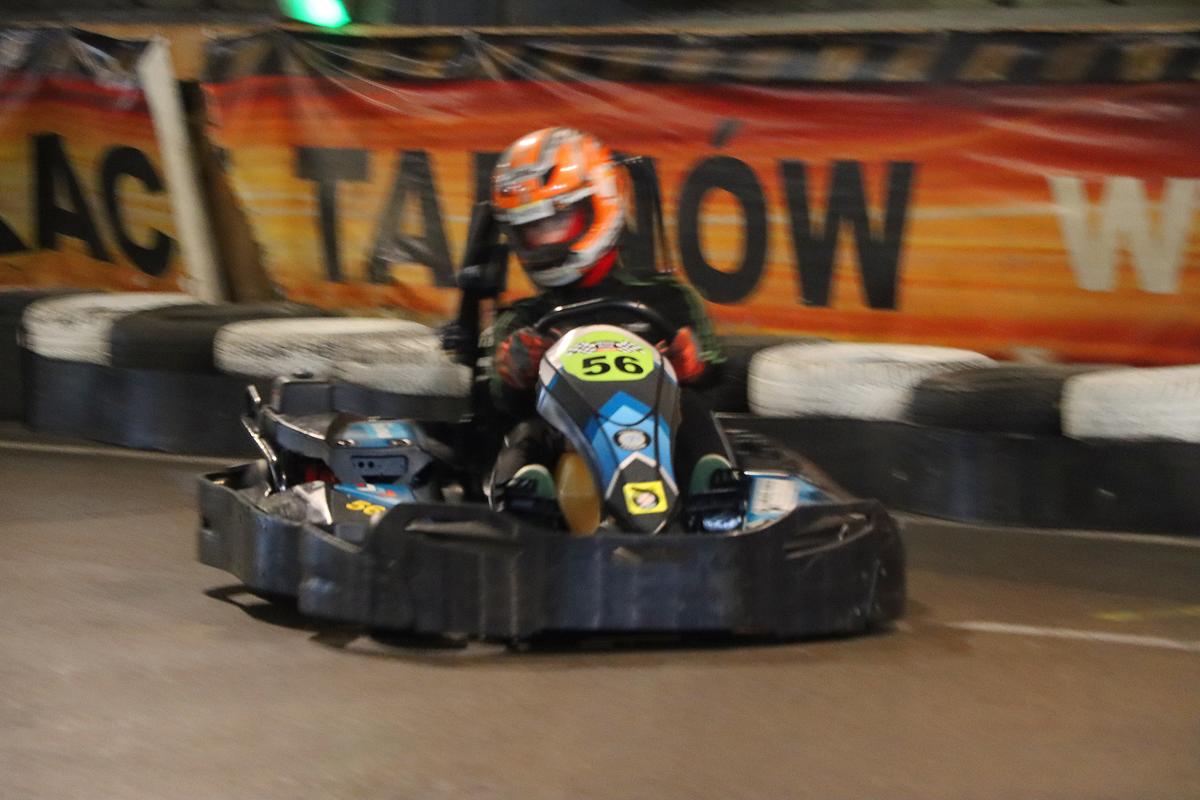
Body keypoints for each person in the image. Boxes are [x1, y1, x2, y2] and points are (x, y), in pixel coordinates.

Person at [485, 127, 731, 515]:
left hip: (661, 445)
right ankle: (524, 500)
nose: (542, 241)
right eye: (531, 230)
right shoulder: (526, 318)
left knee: (693, 410)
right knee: (529, 429)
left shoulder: (667, 299)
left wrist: (694, 369)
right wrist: (517, 372)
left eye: (555, 221)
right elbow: (499, 401)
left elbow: (719, 377)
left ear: (599, 204)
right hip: (567, 450)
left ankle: (716, 497)